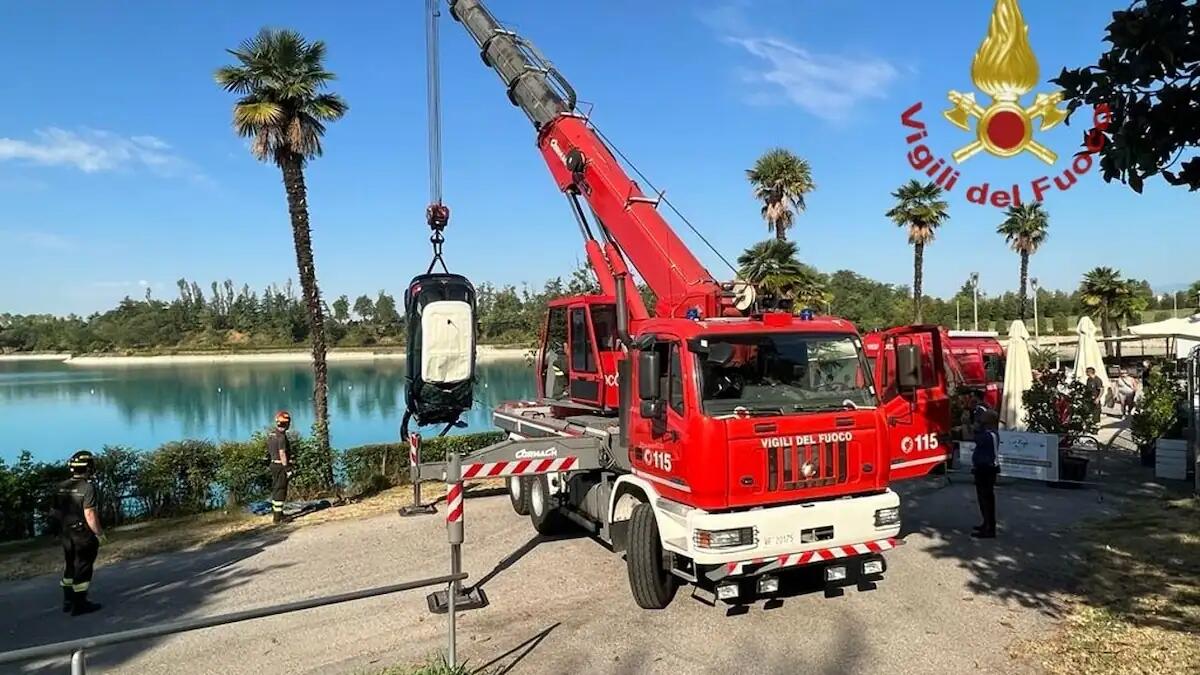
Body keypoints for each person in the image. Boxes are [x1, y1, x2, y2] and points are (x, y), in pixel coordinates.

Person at [52, 450, 106, 615]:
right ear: (88, 468)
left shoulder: (60, 487)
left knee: (70, 566)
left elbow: (54, 512)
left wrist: (60, 529)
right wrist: (99, 534)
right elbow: (89, 514)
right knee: (83, 567)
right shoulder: (87, 488)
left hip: (66, 534)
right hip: (82, 535)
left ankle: (68, 601)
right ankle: (80, 604)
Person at [971, 408, 1000, 539]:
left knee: (987, 499)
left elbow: (978, 439)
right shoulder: (988, 433)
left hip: (987, 469)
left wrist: (977, 425)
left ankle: (990, 528)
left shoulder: (991, 435)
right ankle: (986, 523)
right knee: (982, 499)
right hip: (982, 468)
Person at [267, 411, 293, 523]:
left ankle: (278, 512)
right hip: (280, 466)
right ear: (287, 424)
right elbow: (282, 453)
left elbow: (269, 450)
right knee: (281, 490)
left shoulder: (272, 434)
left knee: (276, 489)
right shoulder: (282, 437)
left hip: (273, 465)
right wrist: (287, 468)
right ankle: (278, 518)